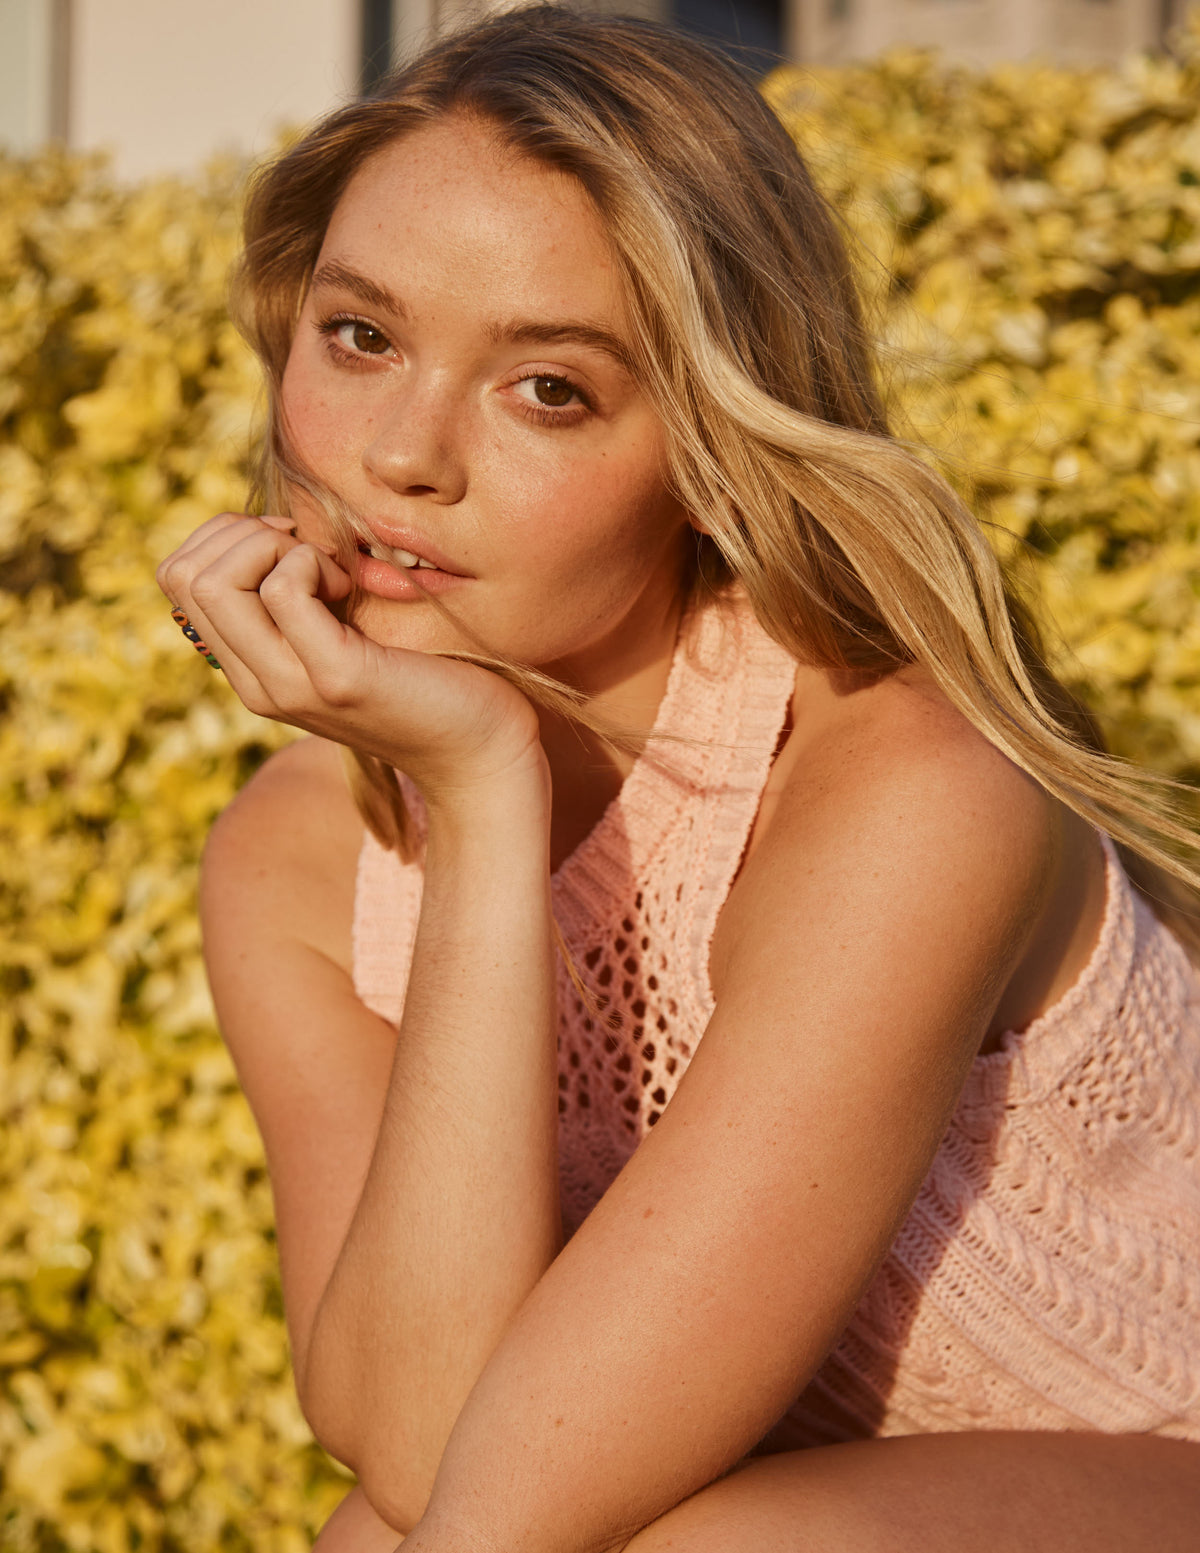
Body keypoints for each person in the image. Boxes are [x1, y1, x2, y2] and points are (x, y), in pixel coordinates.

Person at [156, 7, 1200, 1549]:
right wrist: (486, 794)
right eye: (361, 335)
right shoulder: (297, 861)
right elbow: (423, 1441)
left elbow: (507, 1509)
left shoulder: (901, 781)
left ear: (705, 443)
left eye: (549, 389)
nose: (401, 454)